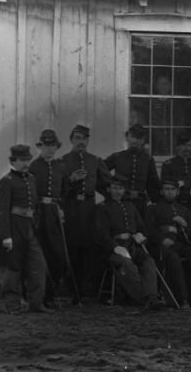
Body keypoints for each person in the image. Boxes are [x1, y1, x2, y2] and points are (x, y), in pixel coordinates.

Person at [0, 144, 50, 314]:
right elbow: (0, 211)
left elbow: (35, 205)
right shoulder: (6, 182)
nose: (26, 163)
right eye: (22, 160)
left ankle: (36, 304)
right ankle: (12, 306)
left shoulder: (31, 179)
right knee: (12, 269)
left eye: (28, 159)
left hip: (29, 229)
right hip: (13, 228)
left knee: (38, 266)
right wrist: (6, 236)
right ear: (13, 161)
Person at [95, 175, 166, 310]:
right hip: (113, 249)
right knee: (127, 263)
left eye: (120, 188)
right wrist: (114, 247)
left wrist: (140, 234)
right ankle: (142, 298)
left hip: (133, 246)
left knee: (148, 261)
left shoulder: (130, 206)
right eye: (114, 188)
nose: (117, 191)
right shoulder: (102, 208)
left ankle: (152, 297)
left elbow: (141, 226)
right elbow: (101, 234)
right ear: (109, 189)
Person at [61, 124, 112, 297]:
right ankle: (74, 290)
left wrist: (108, 205)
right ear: (71, 140)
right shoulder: (64, 161)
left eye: (84, 138)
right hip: (72, 208)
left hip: (90, 209)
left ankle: (89, 289)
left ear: (88, 140)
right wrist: (71, 180)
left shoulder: (95, 161)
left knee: (90, 247)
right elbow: (59, 190)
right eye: (77, 138)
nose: (81, 142)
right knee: (73, 247)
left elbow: (106, 186)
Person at [148, 177, 191, 308]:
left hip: (181, 244)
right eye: (166, 189)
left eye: (173, 190)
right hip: (162, 246)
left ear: (177, 192)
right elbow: (149, 230)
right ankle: (183, 298)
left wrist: (184, 224)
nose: (170, 192)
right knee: (173, 258)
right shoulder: (154, 208)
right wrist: (162, 239)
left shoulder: (184, 210)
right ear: (161, 192)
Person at [29, 129, 73, 306]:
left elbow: (65, 191)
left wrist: (61, 208)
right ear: (40, 147)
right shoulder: (33, 167)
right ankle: (41, 295)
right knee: (40, 253)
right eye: (46, 146)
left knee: (58, 254)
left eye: (53, 146)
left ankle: (52, 289)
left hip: (54, 214)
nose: (49, 149)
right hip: (38, 214)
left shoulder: (60, 167)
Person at [105, 124, 162, 216]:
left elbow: (153, 184)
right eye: (132, 137)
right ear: (127, 137)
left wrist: (157, 204)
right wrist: (109, 191)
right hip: (120, 202)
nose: (135, 141)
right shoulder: (117, 157)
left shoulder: (148, 159)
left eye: (139, 138)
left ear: (143, 140)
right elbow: (101, 172)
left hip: (140, 204)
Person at [160, 132, 191, 223]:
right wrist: (190, 188)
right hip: (175, 204)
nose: (187, 148)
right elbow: (168, 184)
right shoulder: (169, 165)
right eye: (183, 145)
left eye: (189, 145)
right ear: (177, 147)